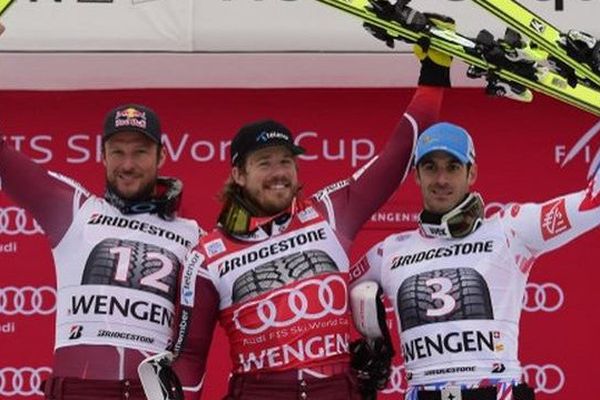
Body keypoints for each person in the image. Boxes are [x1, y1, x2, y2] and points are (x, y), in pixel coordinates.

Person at [169, 37, 454, 399]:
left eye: (286, 161)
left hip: (335, 389)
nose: (279, 172)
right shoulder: (206, 256)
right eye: (264, 162)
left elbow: (395, 158)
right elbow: (190, 358)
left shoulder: (328, 212)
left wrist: (433, 76)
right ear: (238, 174)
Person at [349, 121, 600, 400]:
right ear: (417, 176)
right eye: (431, 167)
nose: (441, 179)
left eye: (453, 167)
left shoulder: (510, 229)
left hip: (496, 392)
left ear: (472, 173)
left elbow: (592, 203)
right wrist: (372, 341)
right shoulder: (389, 251)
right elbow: (330, 291)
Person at [0, 103, 201, 399]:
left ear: (161, 155)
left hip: (149, 392)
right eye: (117, 152)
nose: (128, 164)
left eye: (140, 152)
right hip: (79, 390)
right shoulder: (74, 211)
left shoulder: (193, 234)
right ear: (102, 156)